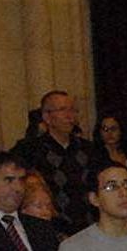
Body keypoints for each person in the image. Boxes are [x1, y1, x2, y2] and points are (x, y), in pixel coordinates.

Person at [14, 90, 96, 222]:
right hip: (49, 225)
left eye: (73, 110)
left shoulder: (89, 149)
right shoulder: (29, 149)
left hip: (88, 224)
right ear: (47, 117)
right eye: (63, 110)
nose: (70, 116)